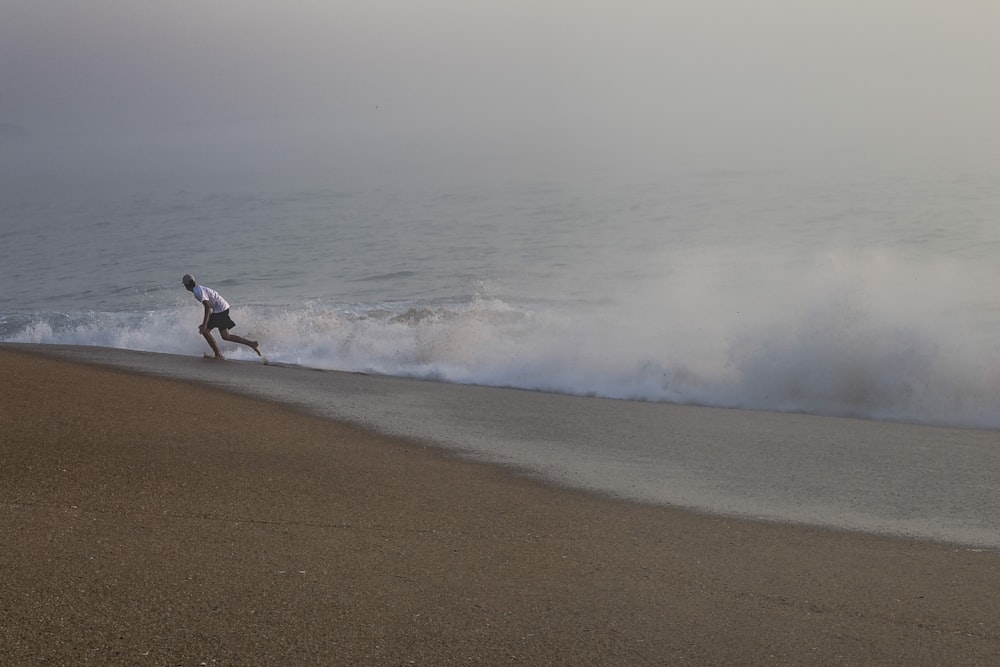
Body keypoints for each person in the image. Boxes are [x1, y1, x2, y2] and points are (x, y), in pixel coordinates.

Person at [182, 274, 261, 360]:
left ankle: (218, 354)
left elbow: (207, 307)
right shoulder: (198, 289)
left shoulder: (197, 291)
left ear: (187, 285)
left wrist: (204, 324)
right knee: (226, 336)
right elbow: (209, 305)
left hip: (220, 309)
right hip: (222, 308)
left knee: (205, 331)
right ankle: (252, 344)